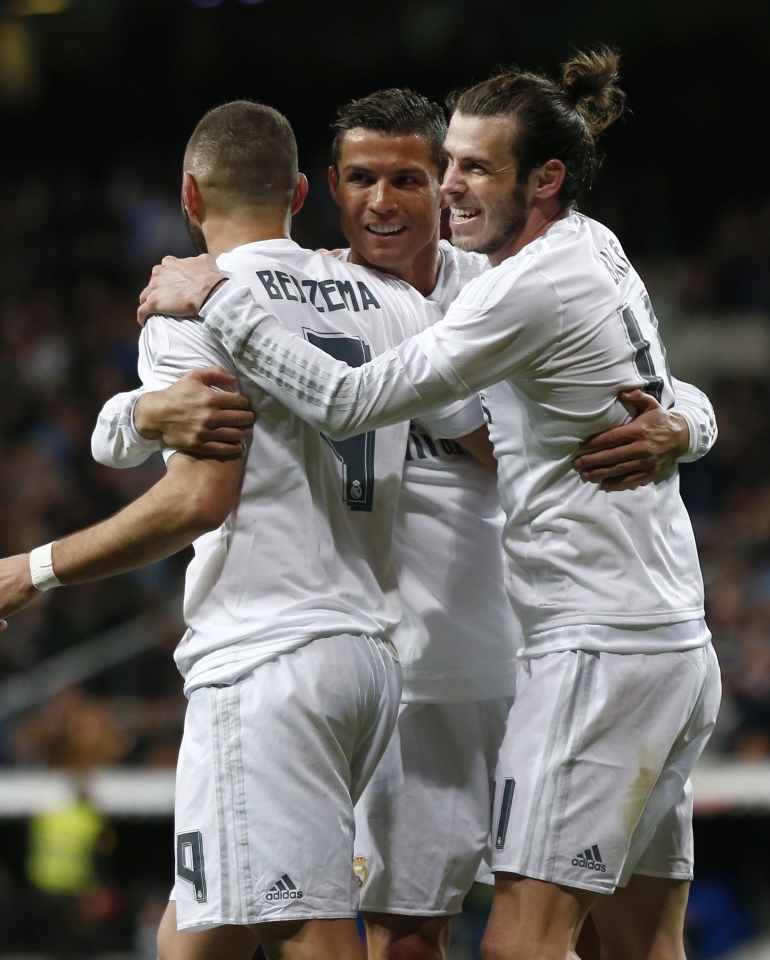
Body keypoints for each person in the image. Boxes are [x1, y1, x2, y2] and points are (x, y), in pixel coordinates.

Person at [104, 88, 718, 960]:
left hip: (551, 658)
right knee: (410, 934)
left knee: (537, 938)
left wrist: (687, 425)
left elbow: (350, 400)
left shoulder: (496, 285)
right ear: (324, 188)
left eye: (417, 177)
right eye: (361, 179)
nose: (384, 202)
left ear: (441, 187)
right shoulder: (314, 291)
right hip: (415, 676)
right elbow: (644, 372)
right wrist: (136, 413)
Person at [0, 100, 490, 960]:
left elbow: (199, 501)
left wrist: (40, 566)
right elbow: (489, 440)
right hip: (366, 655)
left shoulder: (190, 303)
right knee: (202, 922)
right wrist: (129, 415)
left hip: (266, 655)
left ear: (189, 196)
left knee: (309, 928)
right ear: (303, 192)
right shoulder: (390, 301)